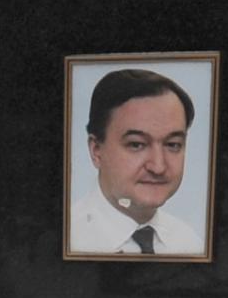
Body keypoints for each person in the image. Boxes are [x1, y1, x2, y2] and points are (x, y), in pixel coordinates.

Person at [68, 66, 204, 257]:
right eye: (136, 145)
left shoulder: (189, 242)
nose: (158, 166)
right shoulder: (66, 238)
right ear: (96, 150)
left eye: (173, 144)